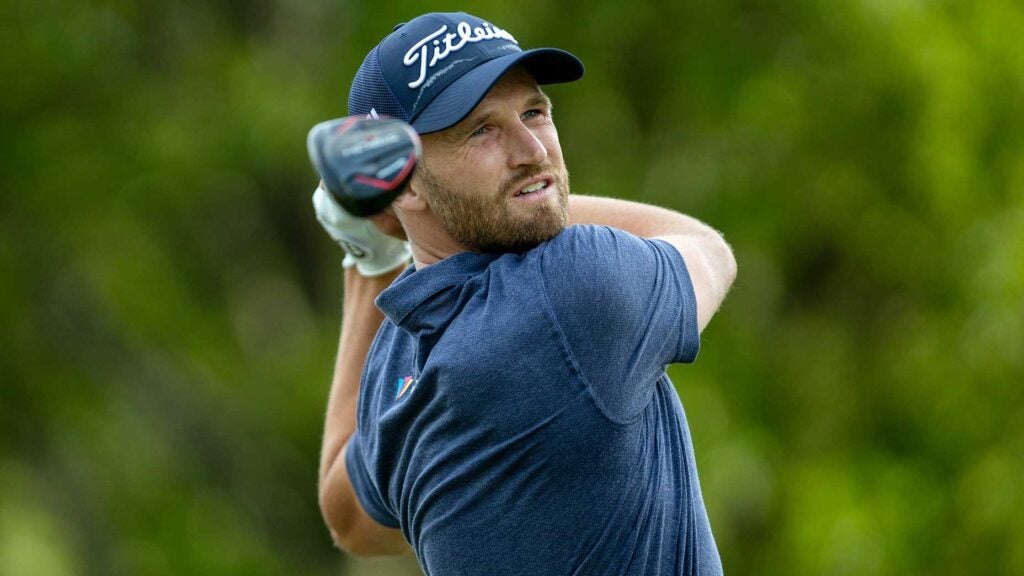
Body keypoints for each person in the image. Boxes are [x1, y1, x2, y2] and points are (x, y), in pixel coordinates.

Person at [313, 11, 736, 576]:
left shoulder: (397, 361)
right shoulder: (572, 287)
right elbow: (704, 246)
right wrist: (538, 196)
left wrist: (369, 259)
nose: (532, 149)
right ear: (405, 179)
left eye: (535, 112)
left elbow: (348, 518)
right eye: (481, 129)